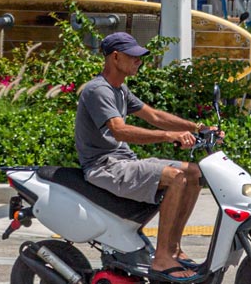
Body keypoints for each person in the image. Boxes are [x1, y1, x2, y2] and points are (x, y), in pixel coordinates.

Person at [75, 32, 211, 281]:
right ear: (115, 57)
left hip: (124, 162)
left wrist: (196, 127)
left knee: (194, 172)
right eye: (133, 56)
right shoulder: (98, 90)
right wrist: (168, 136)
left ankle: (173, 249)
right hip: (104, 166)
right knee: (176, 177)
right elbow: (119, 130)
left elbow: (155, 116)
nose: (139, 61)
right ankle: (161, 259)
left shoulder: (121, 90)